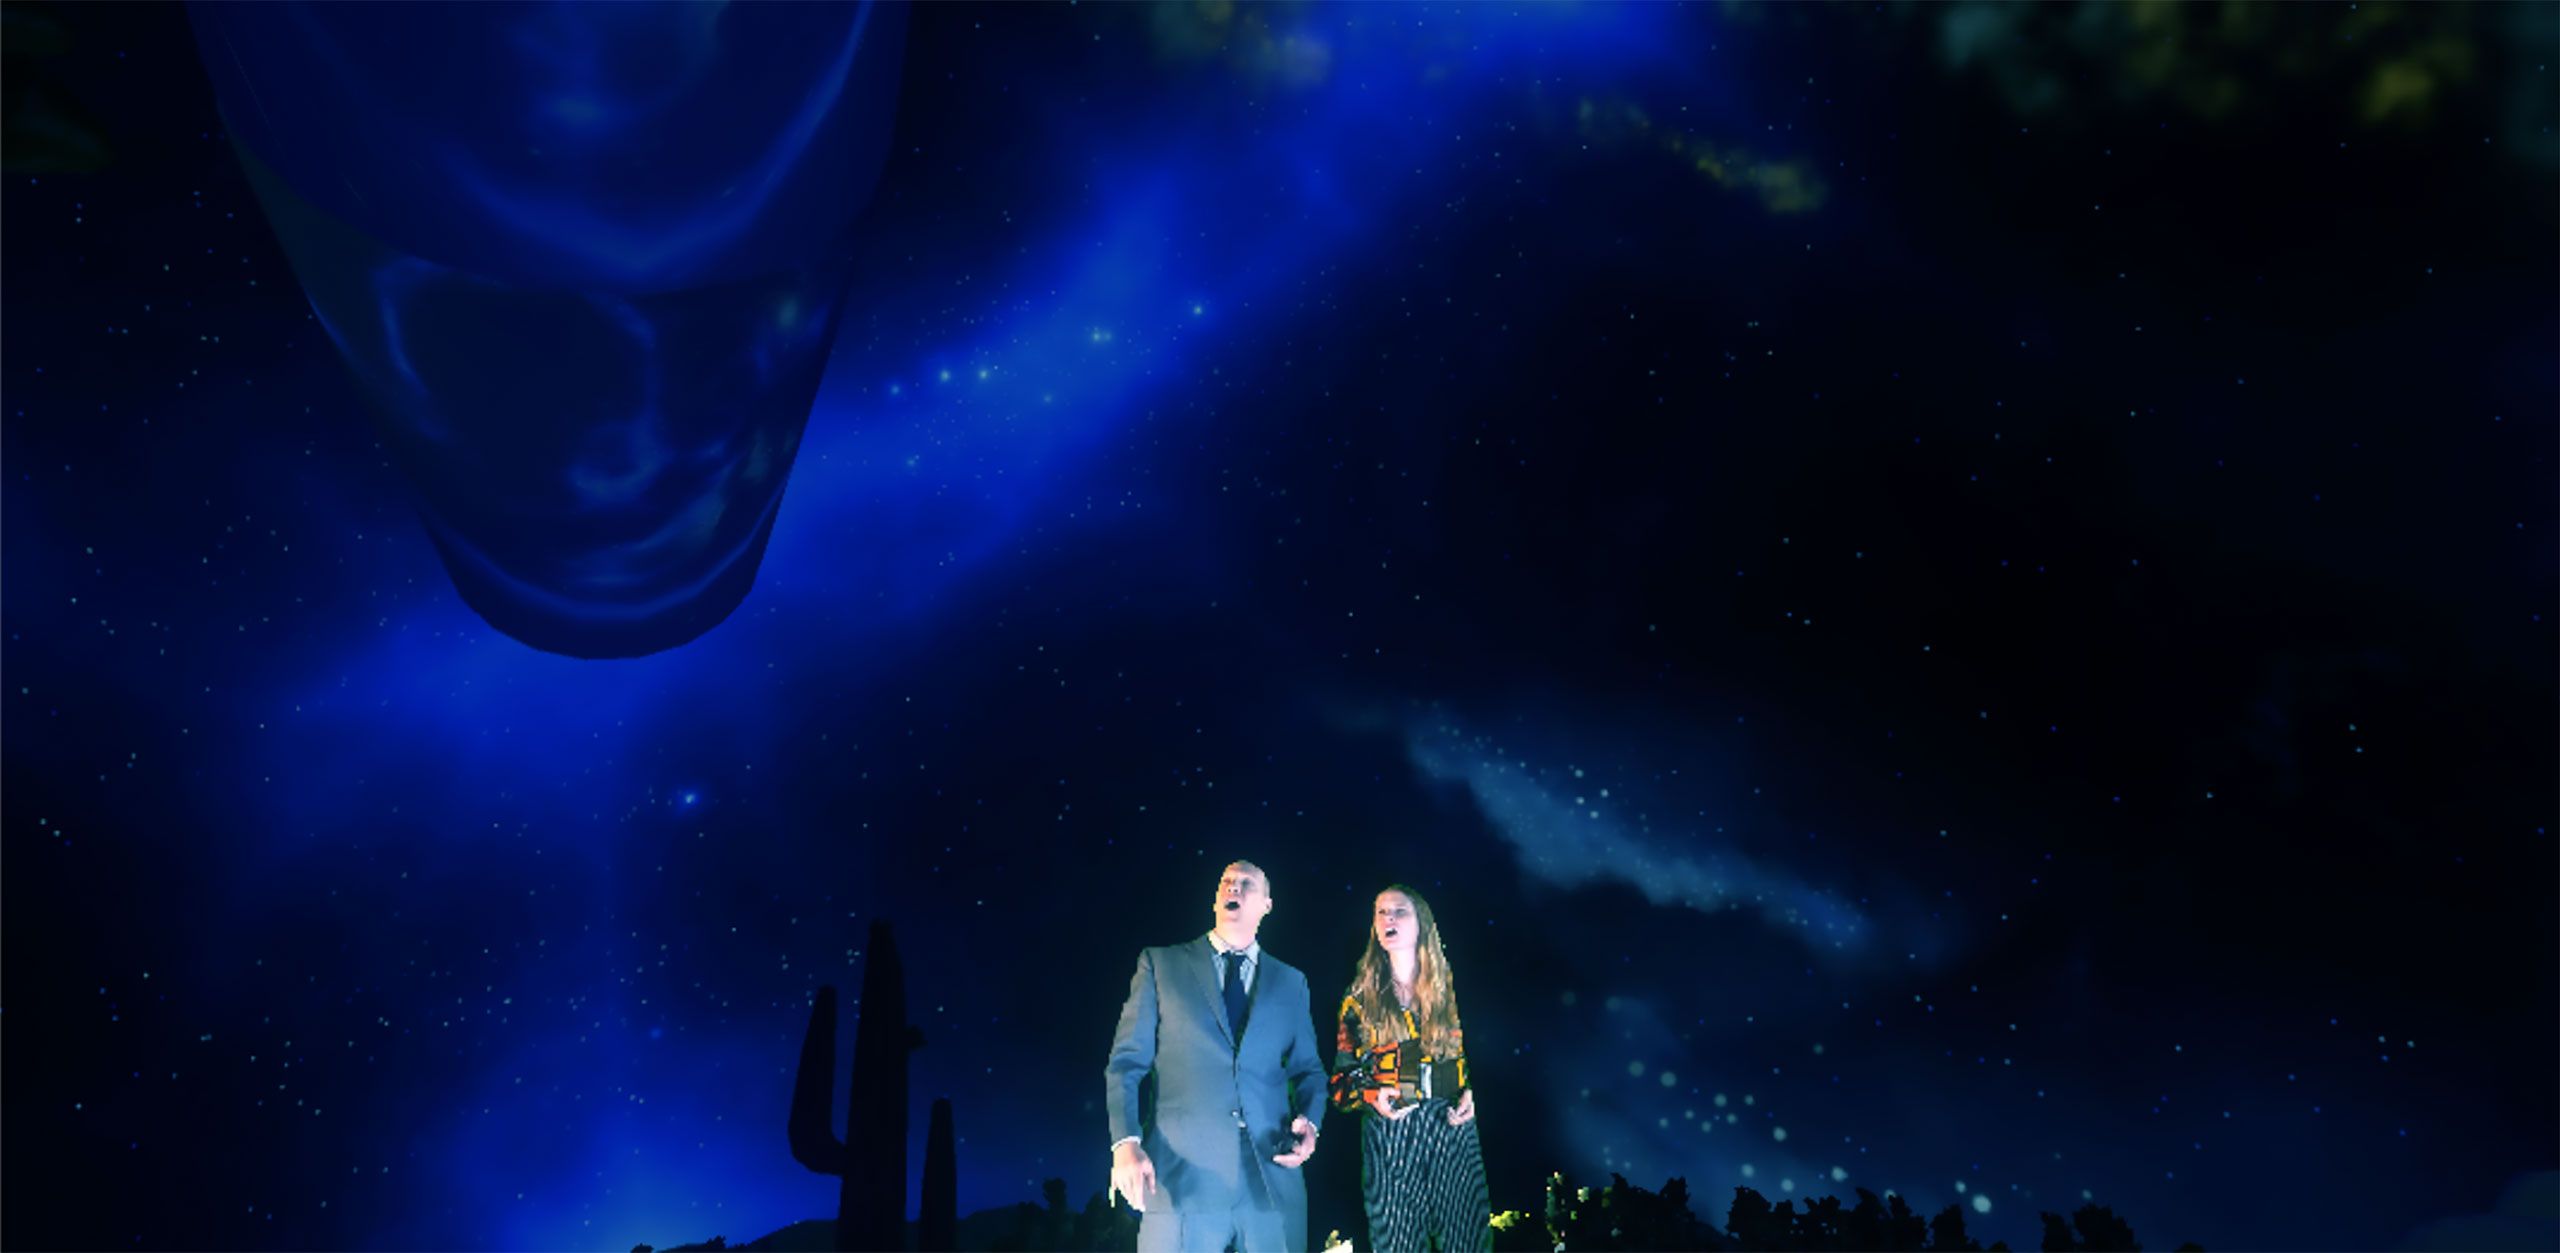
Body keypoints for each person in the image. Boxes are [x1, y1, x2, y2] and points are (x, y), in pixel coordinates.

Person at [1107, 861, 1331, 1252]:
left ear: (1267, 905)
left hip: (1271, 1175)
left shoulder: (1291, 982)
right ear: (1215, 899)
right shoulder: (1161, 965)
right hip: (1182, 1177)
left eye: (1247, 884)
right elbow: (1126, 1063)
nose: (1234, 888)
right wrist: (1125, 1142)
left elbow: (1310, 1071)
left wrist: (1310, 1123)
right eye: (1227, 881)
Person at [1328, 886, 1488, 1252]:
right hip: (1390, 1135)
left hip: (1451, 1129)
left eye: (1399, 910)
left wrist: (1475, 1096)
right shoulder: (1358, 1000)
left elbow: (1490, 1060)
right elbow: (1339, 1083)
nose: (1389, 918)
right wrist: (1372, 1095)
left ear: (1422, 923)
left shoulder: (1455, 991)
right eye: (1381, 912)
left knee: (1468, 1243)